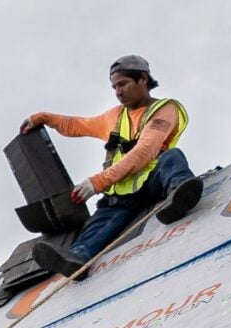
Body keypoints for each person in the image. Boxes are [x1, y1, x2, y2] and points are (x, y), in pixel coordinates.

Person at [20, 55, 203, 280]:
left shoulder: (165, 109)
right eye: (114, 86)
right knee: (100, 222)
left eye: (123, 84)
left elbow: (145, 152)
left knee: (172, 158)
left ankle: (180, 193)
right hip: (122, 194)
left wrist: (97, 182)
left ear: (143, 79)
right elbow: (78, 126)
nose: (118, 91)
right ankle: (77, 259)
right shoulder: (116, 117)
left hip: (154, 181)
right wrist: (44, 118)